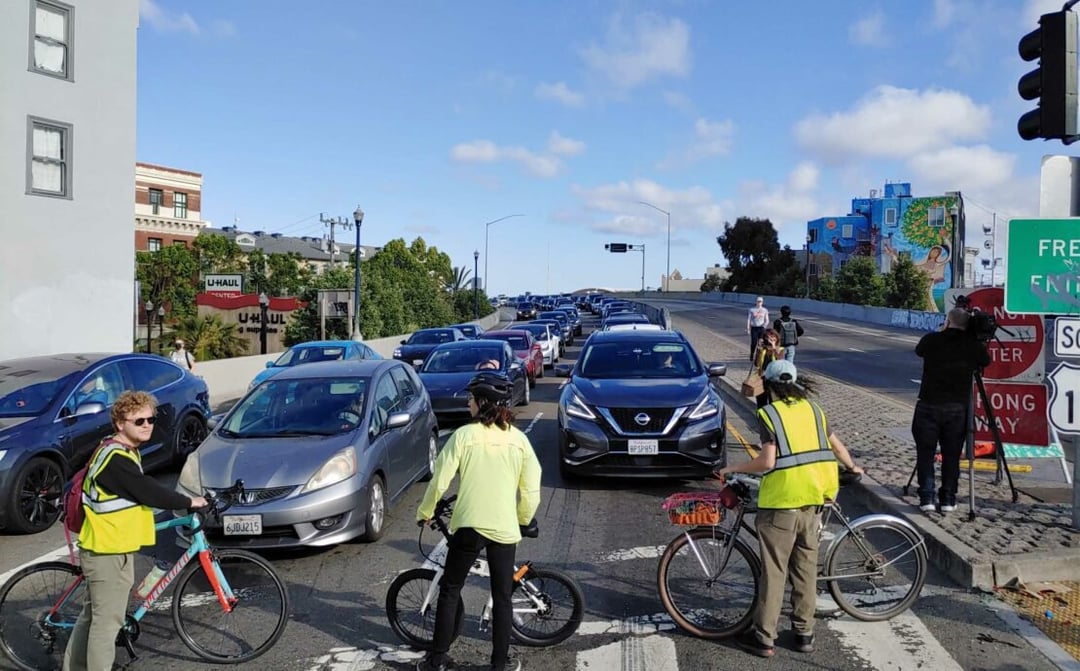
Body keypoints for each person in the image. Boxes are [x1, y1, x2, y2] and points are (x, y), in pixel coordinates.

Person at [715, 360, 862, 659]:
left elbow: (767, 462)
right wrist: (851, 466)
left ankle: (764, 637)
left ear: (768, 386)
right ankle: (804, 634)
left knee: (775, 572)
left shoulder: (769, 413)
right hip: (815, 501)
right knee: (805, 571)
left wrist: (732, 468)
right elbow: (836, 445)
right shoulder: (814, 410)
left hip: (782, 503)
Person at [63, 391, 207, 671]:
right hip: (107, 552)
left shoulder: (119, 450)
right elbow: (147, 491)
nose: (147, 425)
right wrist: (190, 501)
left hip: (109, 546)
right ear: (120, 423)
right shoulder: (116, 459)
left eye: (151, 418)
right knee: (107, 625)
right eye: (138, 420)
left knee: (92, 617)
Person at [415, 372, 542, 671]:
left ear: (482, 402)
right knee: (502, 597)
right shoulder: (518, 440)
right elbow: (532, 489)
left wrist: (425, 512)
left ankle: (438, 660)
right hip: (505, 528)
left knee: (451, 588)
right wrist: (523, 520)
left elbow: (439, 481)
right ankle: (500, 663)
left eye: (472, 399)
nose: (469, 403)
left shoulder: (464, 436)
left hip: (470, 526)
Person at [912, 307, 990, 513]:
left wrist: (944, 329)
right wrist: (974, 336)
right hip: (957, 408)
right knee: (952, 456)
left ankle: (926, 497)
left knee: (925, 454)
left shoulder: (932, 340)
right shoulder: (973, 345)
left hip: (928, 405)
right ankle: (948, 498)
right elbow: (985, 361)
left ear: (948, 321)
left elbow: (919, 350)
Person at [753, 329, 785, 409]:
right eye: (768, 337)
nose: (771, 339)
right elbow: (756, 363)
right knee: (761, 402)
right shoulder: (763, 349)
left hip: (774, 380)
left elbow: (779, 360)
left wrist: (774, 347)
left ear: (777, 338)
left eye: (773, 337)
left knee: (773, 402)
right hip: (762, 378)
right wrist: (759, 349)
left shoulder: (780, 349)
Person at [746, 297, 769, 361]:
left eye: (760, 301)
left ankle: (758, 356)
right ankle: (752, 353)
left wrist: (764, 326)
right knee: (754, 342)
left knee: (761, 343)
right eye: (758, 301)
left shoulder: (765, 310)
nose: (759, 303)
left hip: (761, 328)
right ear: (756, 302)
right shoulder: (752, 310)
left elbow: (767, 320)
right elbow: (749, 319)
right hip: (754, 328)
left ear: (762, 302)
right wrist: (748, 328)